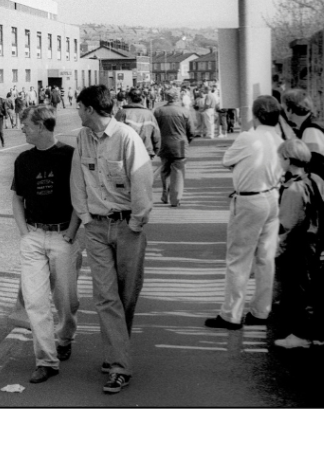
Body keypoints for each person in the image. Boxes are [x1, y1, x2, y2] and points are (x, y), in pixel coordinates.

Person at [70, 84, 154, 394]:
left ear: (90, 109)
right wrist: (86, 217)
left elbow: (143, 183)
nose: (77, 111)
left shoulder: (126, 138)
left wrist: (134, 223)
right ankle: (120, 366)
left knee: (126, 295)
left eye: (79, 107)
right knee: (106, 296)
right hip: (96, 229)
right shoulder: (83, 137)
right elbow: (77, 179)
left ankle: (116, 352)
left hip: (127, 227)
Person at [12, 105, 82, 383]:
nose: (23, 129)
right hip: (34, 237)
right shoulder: (23, 160)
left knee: (67, 300)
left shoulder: (69, 156)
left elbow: (81, 197)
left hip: (64, 236)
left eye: (26, 125)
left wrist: (72, 232)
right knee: (36, 301)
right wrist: (24, 233)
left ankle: (65, 336)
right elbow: (17, 198)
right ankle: (46, 360)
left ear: (41, 126)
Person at [205, 95, 285, 330]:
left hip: (249, 200)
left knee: (239, 258)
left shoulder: (248, 137)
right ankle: (261, 311)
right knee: (265, 257)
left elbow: (226, 160)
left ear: (257, 114)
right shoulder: (279, 138)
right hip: (272, 197)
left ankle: (231, 314)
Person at [272, 138, 324, 349]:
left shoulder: (292, 190)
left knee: (299, 291)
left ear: (288, 159)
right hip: (319, 241)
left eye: (280, 157)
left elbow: (287, 224)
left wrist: (277, 247)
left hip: (300, 245)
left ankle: (301, 335)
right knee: (317, 288)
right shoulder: (315, 179)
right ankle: (321, 334)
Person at [281, 90, 324, 187]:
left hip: (323, 188)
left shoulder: (311, 131)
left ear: (290, 110)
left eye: (284, 107)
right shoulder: (312, 125)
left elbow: (316, 166)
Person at [153, 89, 194, 207]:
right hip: (180, 143)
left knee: (165, 169)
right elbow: (191, 131)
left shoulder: (158, 111)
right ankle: (175, 198)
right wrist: (187, 141)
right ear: (177, 98)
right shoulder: (185, 112)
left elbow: (155, 129)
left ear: (166, 97)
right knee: (179, 171)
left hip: (164, 143)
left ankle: (165, 194)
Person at [116, 88, 161, 157]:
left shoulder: (121, 113)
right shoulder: (149, 114)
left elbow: (114, 134)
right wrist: (156, 150)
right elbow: (156, 135)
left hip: (127, 152)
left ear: (129, 98)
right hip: (146, 152)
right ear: (141, 99)